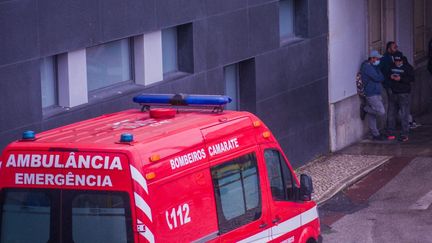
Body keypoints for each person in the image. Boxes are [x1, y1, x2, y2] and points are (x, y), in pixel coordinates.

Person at [387, 54, 414, 142]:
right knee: (391, 113)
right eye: (396, 61)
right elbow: (387, 76)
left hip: (404, 93)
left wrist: (401, 79)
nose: (397, 62)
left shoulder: (407, 68)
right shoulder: (391, 66)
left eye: (399, 61)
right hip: (393, 93)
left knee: (404, 114)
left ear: (402, 61)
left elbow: (412, 79)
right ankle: (391, 132)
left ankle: (404, 134)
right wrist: (390, 77)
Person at [361, 50, 387, 140]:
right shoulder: (367, 67)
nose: (378, 60)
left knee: (373, 115)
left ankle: (375, 134)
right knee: (381, 111)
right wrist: (380, 75)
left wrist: (380, 75)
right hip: (371, 93)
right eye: (377, 58)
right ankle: (365, 109)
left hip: (376, 92)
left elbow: (381, 77)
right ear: (372, 58)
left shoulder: (373, 66)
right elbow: (378, 78)